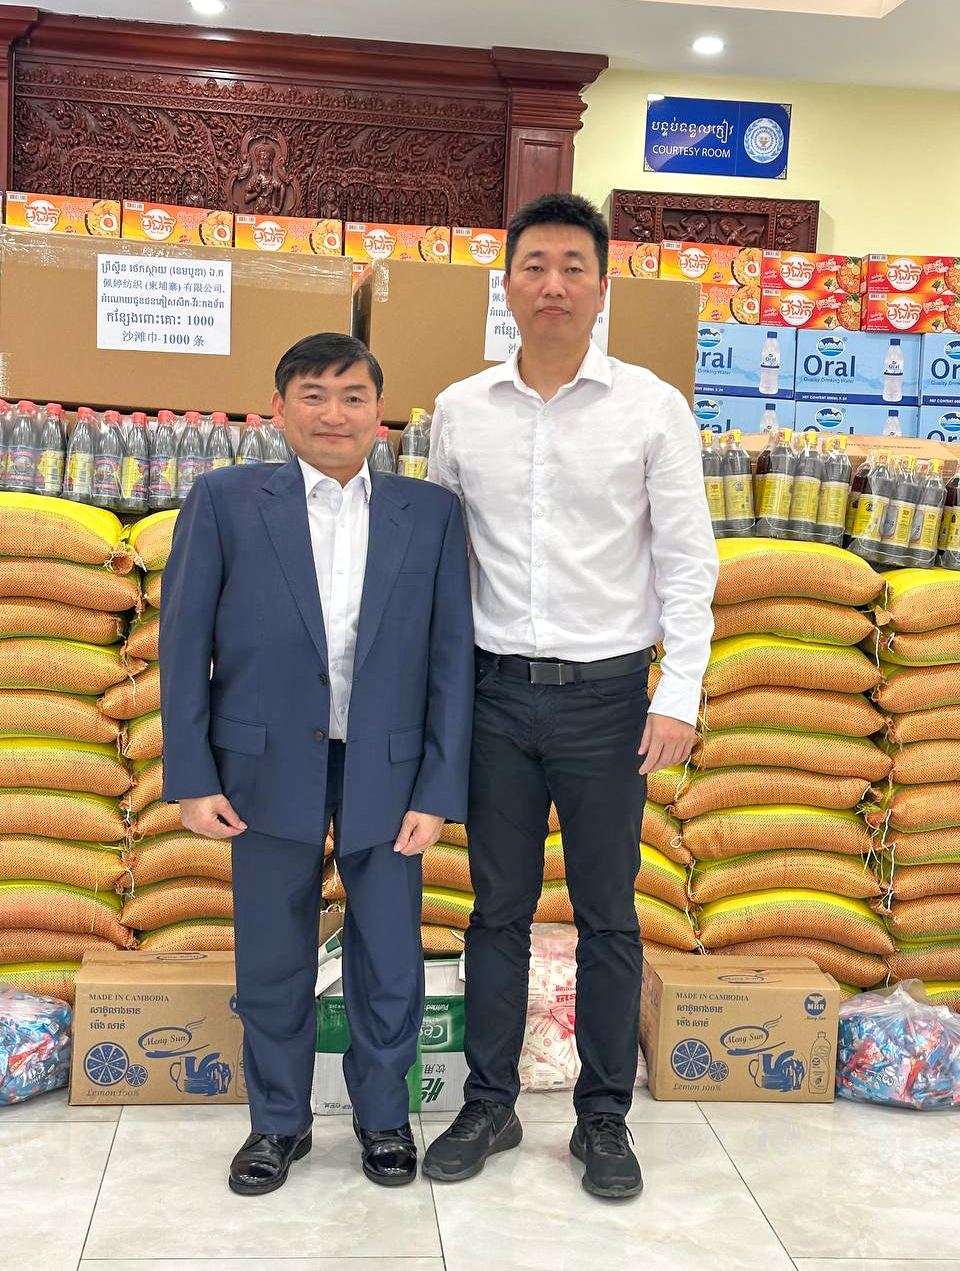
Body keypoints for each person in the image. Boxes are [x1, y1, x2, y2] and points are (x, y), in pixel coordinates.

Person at [423, 193, 718, 1200]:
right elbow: (442, 564)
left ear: (601, 288)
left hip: (610, 702)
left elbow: (688, 561)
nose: (553, 284)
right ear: (507, 285)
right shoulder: (460, 409)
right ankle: (489, 1101)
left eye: (573, 267)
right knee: (495, 909)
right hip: (495, 696)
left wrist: (679, 691)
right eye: (535, 266)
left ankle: (603, 1116)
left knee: (608, 913)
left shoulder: (651, 407)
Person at [159, 333, 474, 1195]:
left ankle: (384, 1119)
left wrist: (439, 787)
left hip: (390, 769)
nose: (334, 414)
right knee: (272, 953)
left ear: (381, 412)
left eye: (352, 396)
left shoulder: (429, 514)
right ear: (279, 408)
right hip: (261, 768)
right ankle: (277, 1123)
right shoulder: (225, 501)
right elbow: (183, 646)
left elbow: (451, 660)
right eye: (313, 395)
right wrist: (192, 775)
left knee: (390, 954)